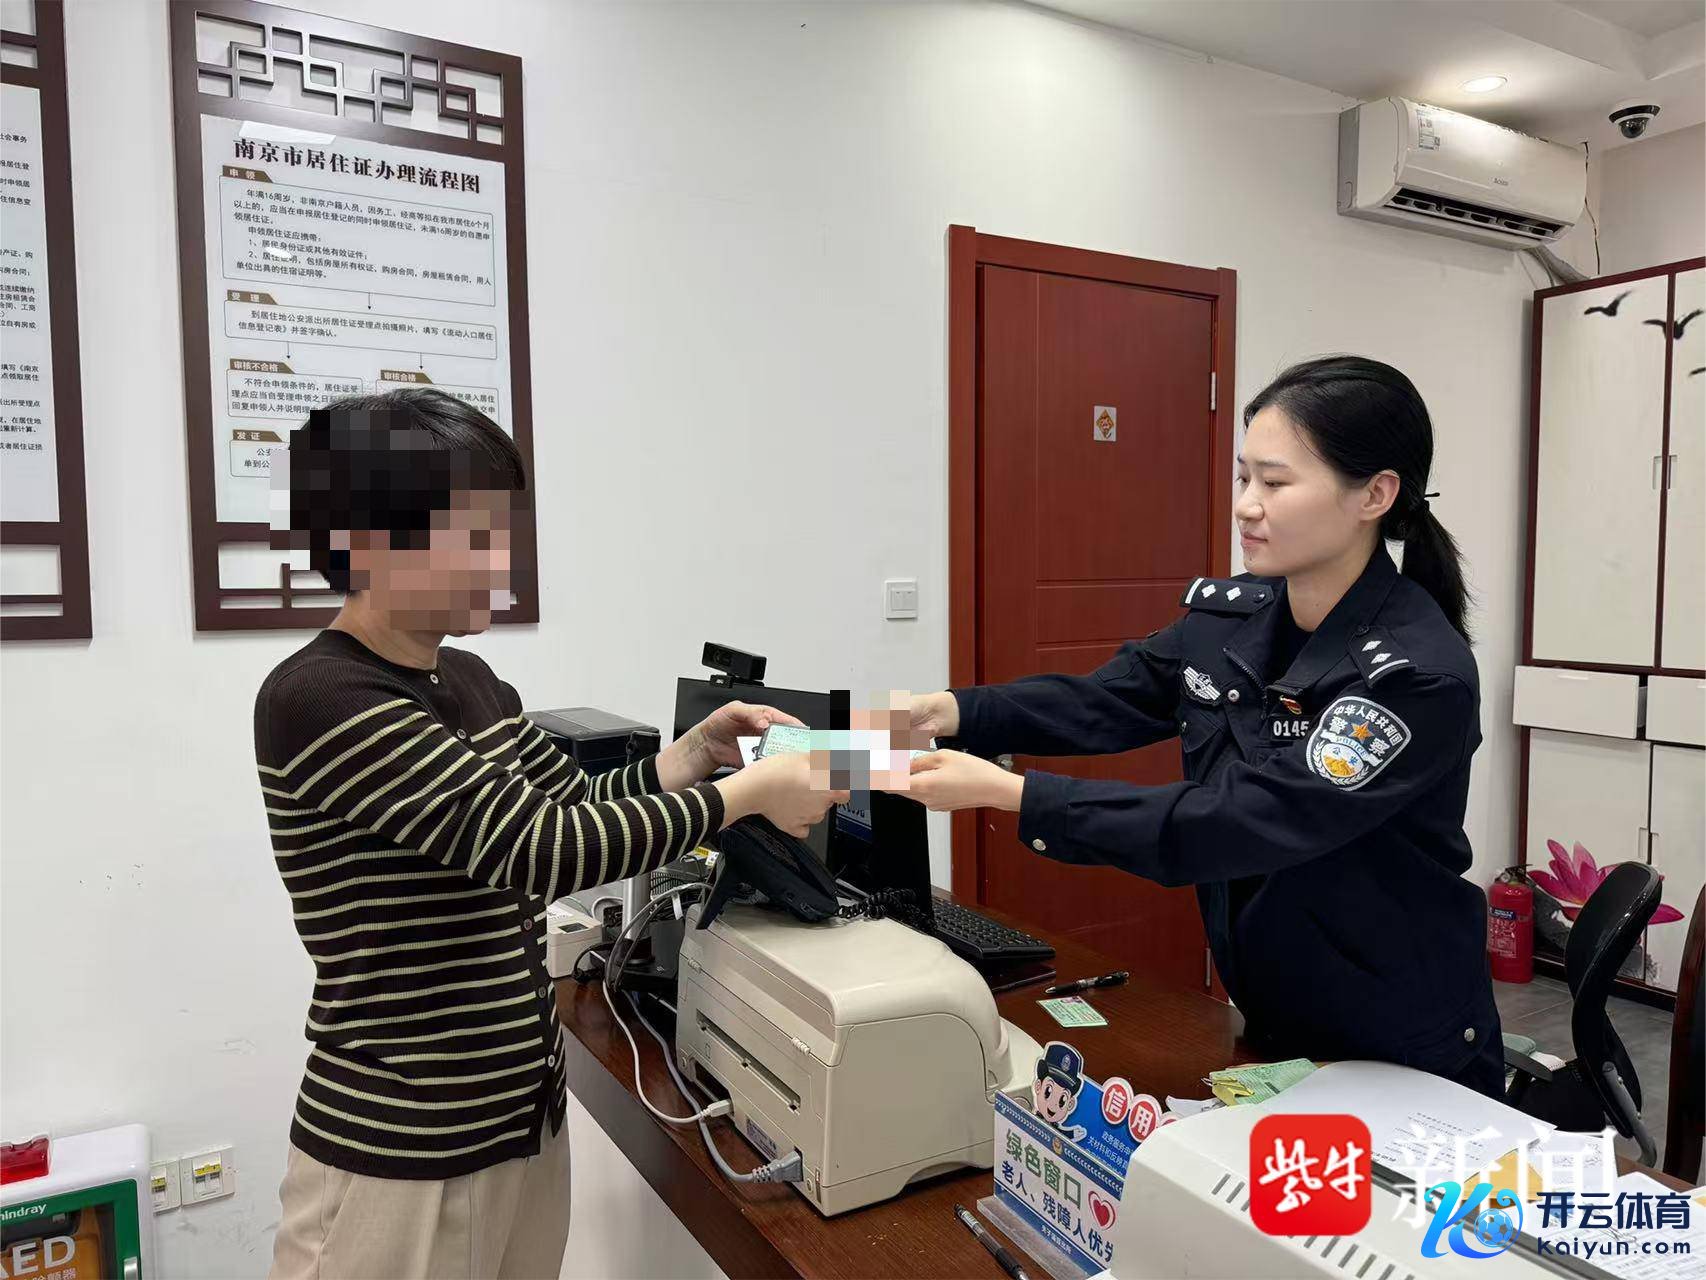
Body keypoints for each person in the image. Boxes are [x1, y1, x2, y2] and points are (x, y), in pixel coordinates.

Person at [255, 388, 844, 1279]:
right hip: (405, 1151)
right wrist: (747, 795)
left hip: (521, 1124)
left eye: (502, 532)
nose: (500, 562)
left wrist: (693, 756)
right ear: (370, 541)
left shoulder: (470, 680)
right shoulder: (320, 697)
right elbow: (541, 849)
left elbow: (573, 800)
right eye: (472, 535)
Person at [901, 356, 1505, 1097]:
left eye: (1275, 483)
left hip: (1400, 1037)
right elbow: (1104, 700)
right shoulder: (1234, 618)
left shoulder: (1413, 677)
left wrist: (1013, 794)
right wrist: (953, 712)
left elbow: (1245, 819)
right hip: (1278, 1009)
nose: (1247, 506)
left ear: (1374, 494)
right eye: (1244, 478)